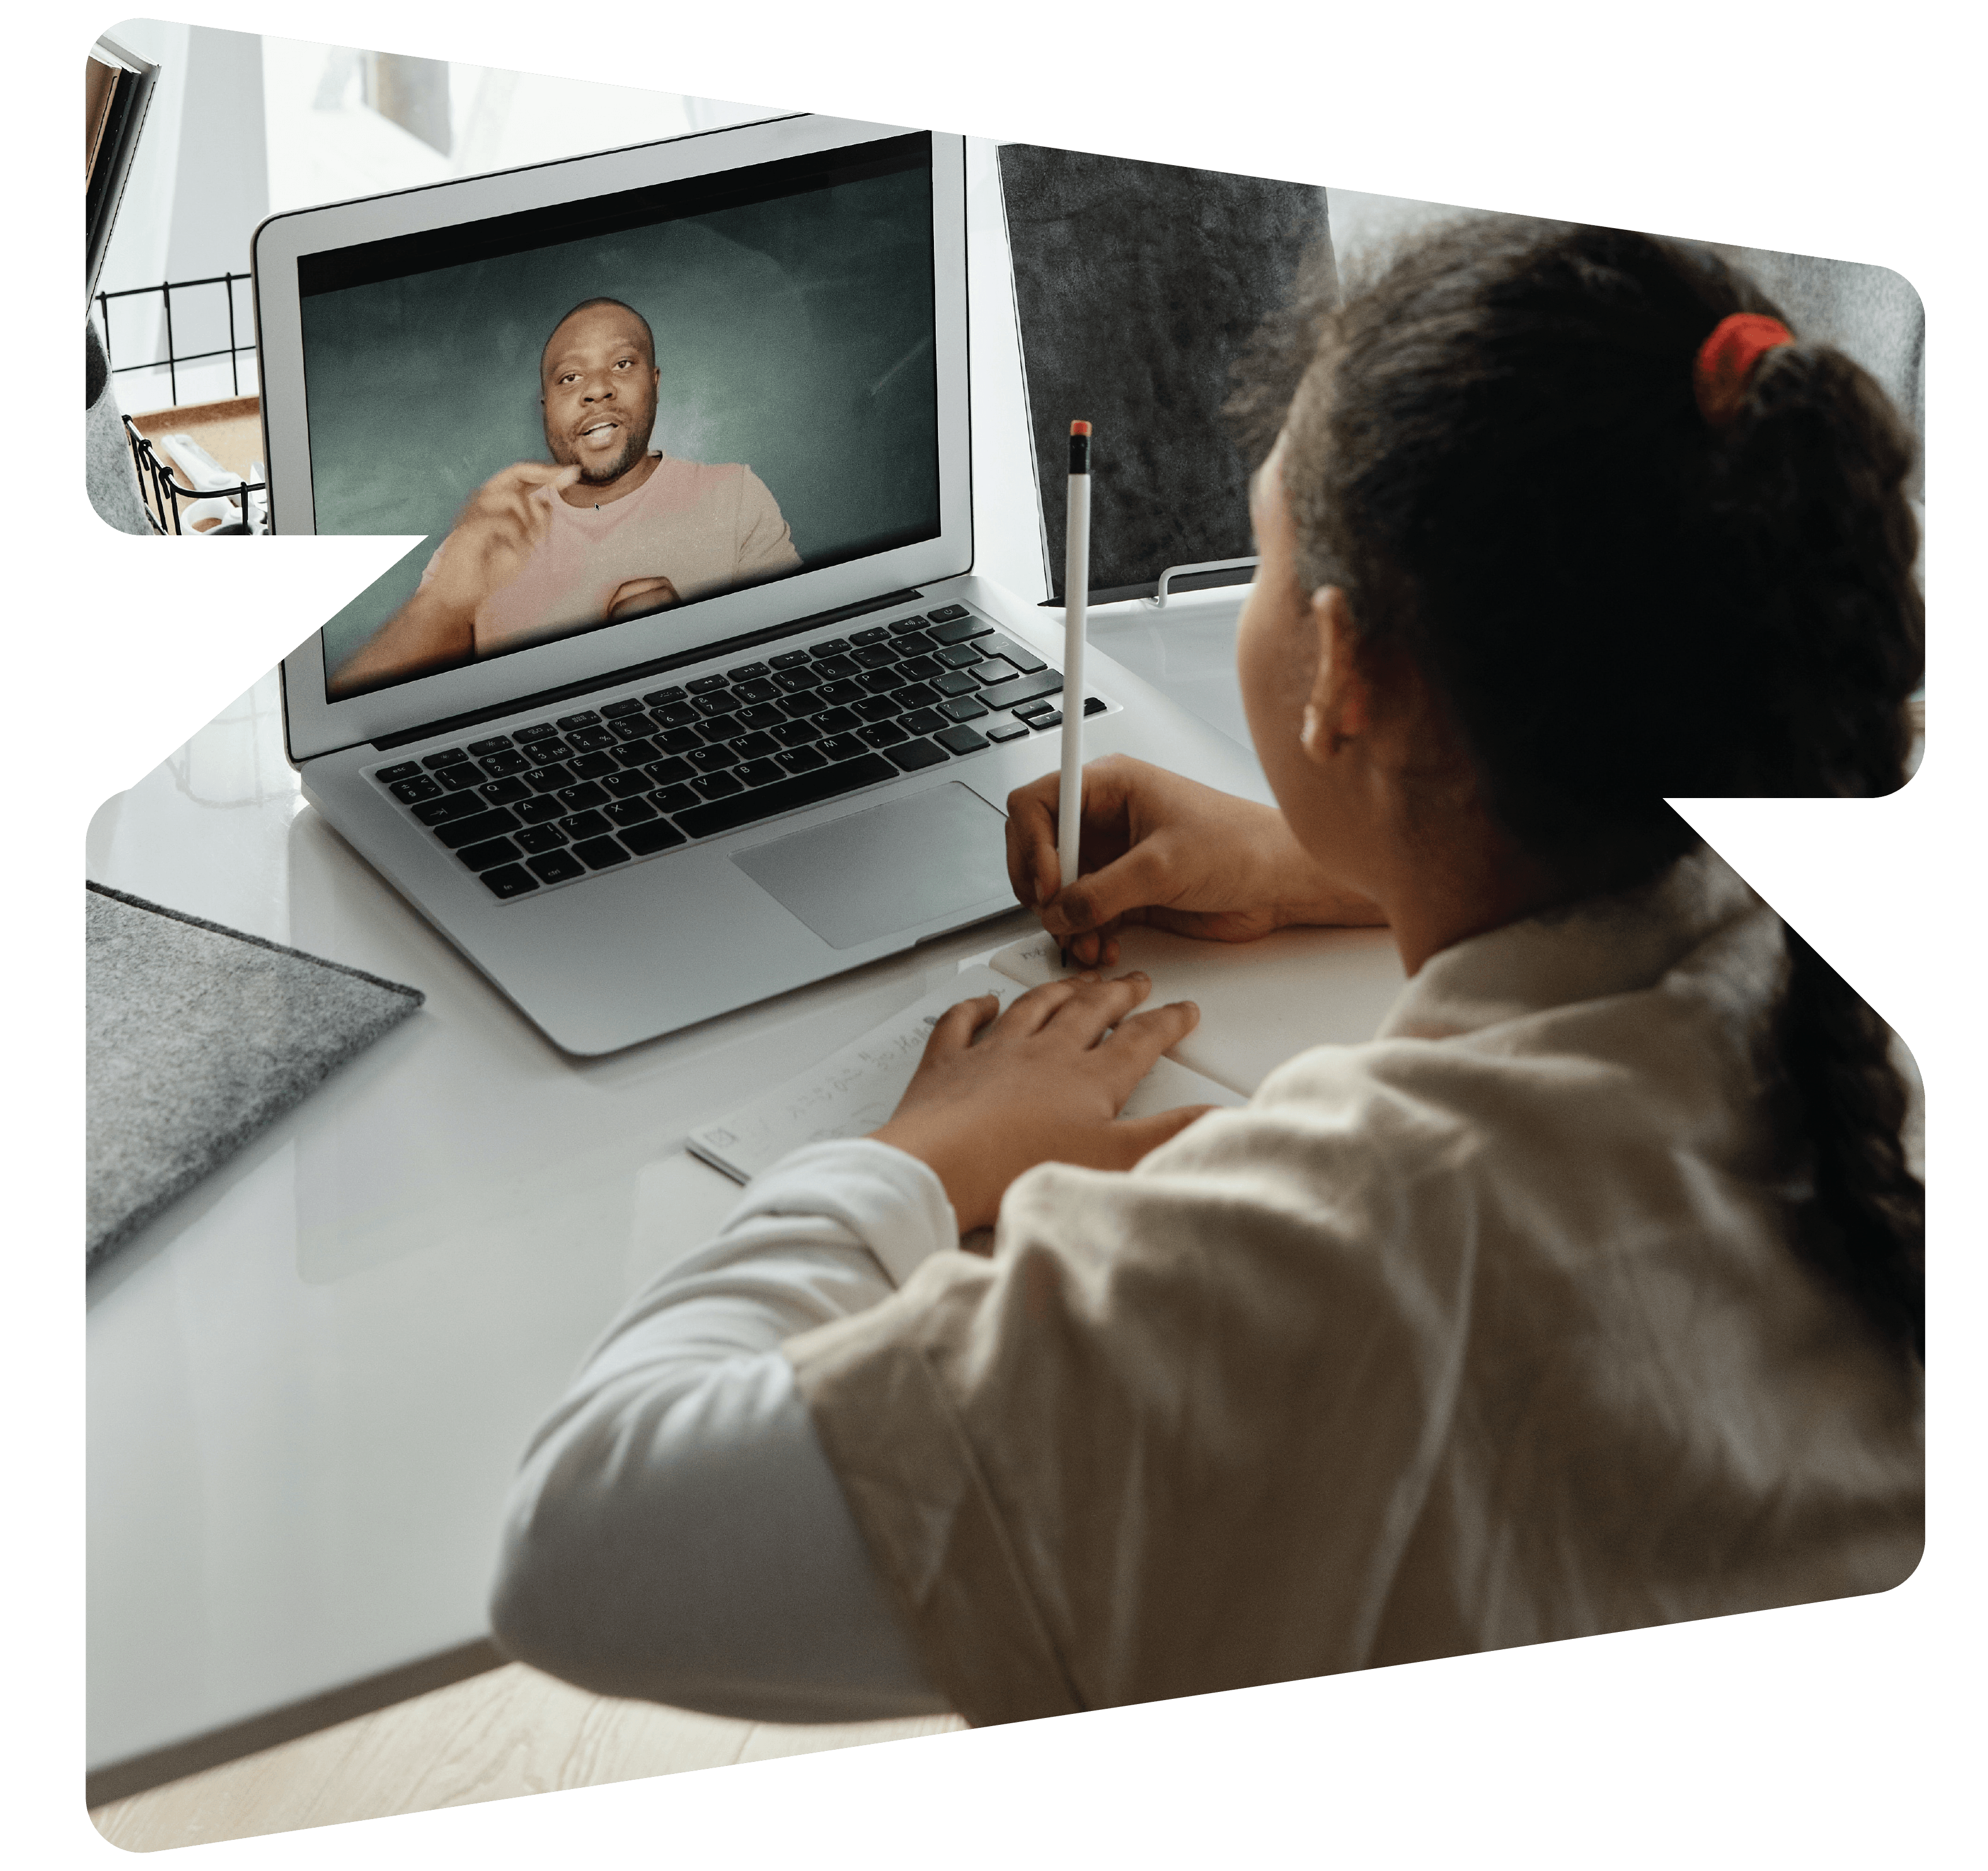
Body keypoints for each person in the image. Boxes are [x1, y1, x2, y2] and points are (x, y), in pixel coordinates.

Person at [487, 222, 1925, 1726]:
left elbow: (580, 1541)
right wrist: (1351, 858)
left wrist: (913, 1156)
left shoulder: (1296, 1280)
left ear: (1345, 674)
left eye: (1265, 550)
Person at [328, 297, 801, 697]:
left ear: (654, 385)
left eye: (622, 364)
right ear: (545, 408)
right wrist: (444, 604)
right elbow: (365, 720)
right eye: (569, 378)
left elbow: (798, 678)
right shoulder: (491, 535)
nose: (598, 389)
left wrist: (682, 645)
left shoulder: (735, 494)